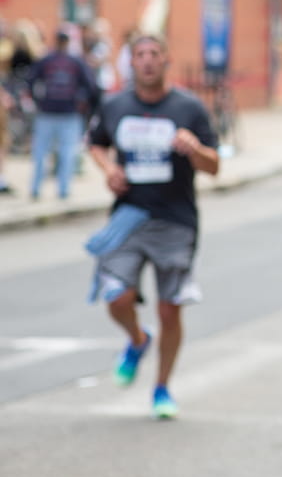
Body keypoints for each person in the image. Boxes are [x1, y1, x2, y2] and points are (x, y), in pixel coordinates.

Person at [87, 34, 220, 419]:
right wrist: (109, 169)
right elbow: (95, 143)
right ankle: (136, 339)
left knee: (169, 310)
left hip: (175, 221)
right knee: (116, 297)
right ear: (130, 62)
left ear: (167, 60)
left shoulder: (189, 107)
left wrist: (195, 149)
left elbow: (214, 166)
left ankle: (162, 388)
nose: (146, 61)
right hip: (128, 217)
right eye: (139, 55)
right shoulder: (114, 104)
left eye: (154, 55)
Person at [26, 28, 97, 200]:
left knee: (42, 152)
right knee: (66, 153)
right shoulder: (75, 61)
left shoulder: (48, 60)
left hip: (49, 112)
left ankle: (37, 189)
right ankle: (62, 190)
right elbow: (91, 86)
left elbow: (30, 81)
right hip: (67, 113)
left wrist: (38, 102)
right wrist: (82, 104)